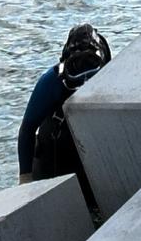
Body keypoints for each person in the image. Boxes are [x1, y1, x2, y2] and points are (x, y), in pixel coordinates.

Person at [18, 20, 113, 184]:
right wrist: (25, 178)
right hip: (54, 159)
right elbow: (27, 128)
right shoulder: (51, 82)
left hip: (95, 157)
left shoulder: (115, 77)